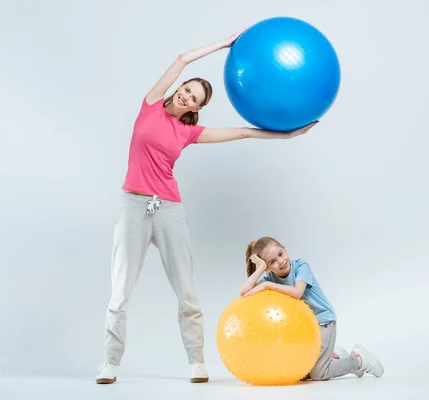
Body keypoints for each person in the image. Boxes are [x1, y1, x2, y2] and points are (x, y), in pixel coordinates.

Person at [96, 29, 318, 385]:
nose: (185, 96)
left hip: (168, 209)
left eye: (193, 99)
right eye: (186, 89)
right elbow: (183, 58)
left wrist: (287, 135)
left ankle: (196, 363)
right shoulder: (151, 104)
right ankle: (109, 363)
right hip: (134, 206)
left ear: (196, 109)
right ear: (178, 88)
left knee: (185, 290)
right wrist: (226, 43)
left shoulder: (188, 133)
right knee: (120, 290)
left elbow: (243, 132)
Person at [240, 236, 384, 382]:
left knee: (318, 374)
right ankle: (335, 357)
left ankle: (357, 360)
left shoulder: (301, 265)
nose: (281, 261)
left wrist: (267, 285)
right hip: (307, 328)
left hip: (323, 320)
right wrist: (261, 269)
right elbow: (244, 292)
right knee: (300, 373)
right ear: (267, 267)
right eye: (272, 262)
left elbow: (297, 292)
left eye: (280, 254)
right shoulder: (270, 276)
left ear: (285, 249)